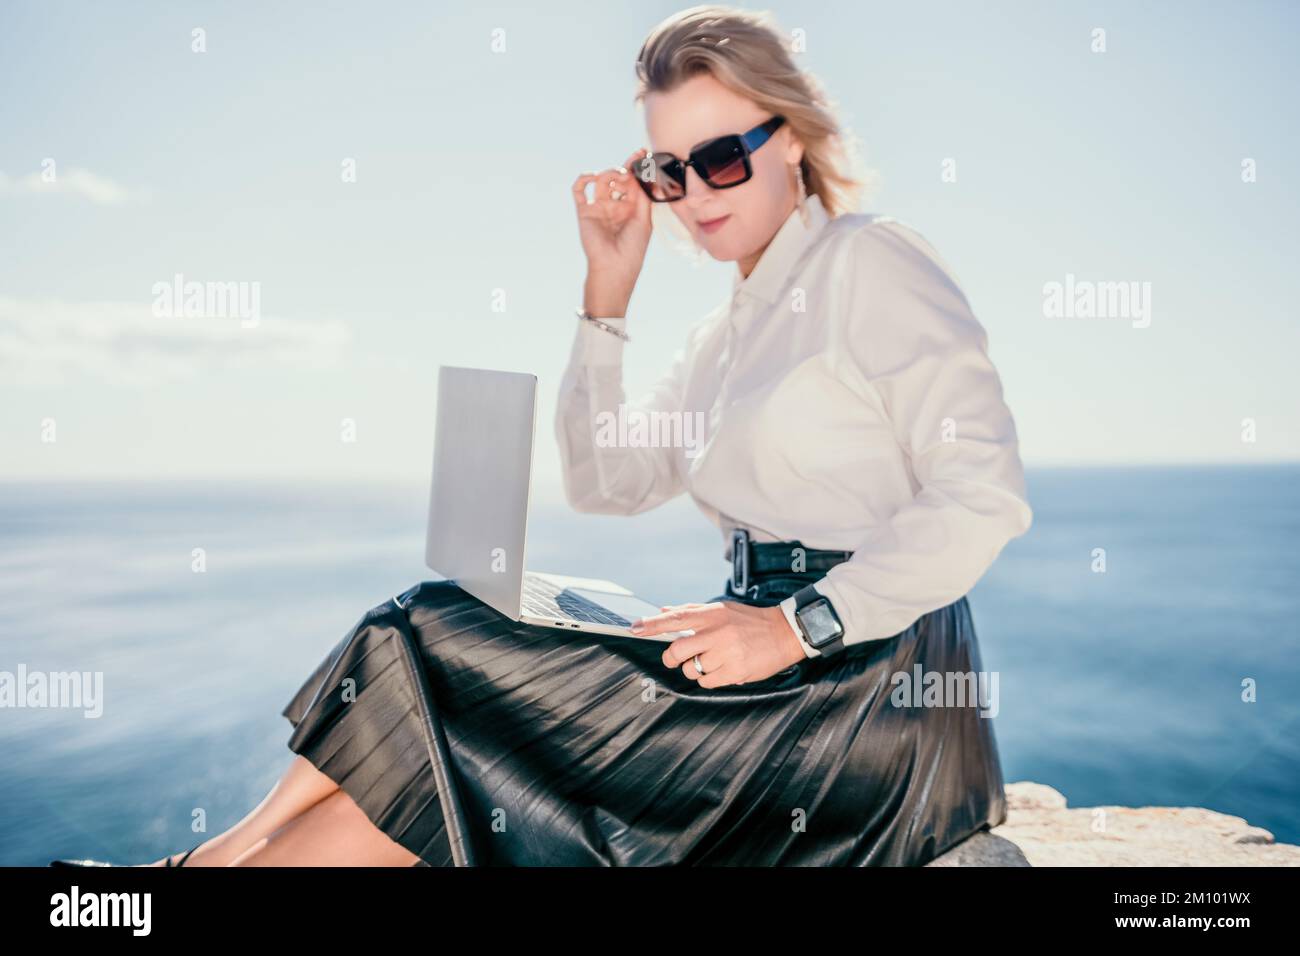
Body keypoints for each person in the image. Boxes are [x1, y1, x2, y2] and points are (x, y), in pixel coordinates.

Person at [51, 4, 1032, 868]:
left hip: (863, 692)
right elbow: (608, 481)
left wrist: (792, 624)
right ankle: (208, 866)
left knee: (430, 630)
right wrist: (606, 291)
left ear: (791, 137)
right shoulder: (725, 335)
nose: (693, 194)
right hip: (752, 649)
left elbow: (980, 496)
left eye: (721, 157)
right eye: (666, 170)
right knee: (437, 669)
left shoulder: (871, 264)